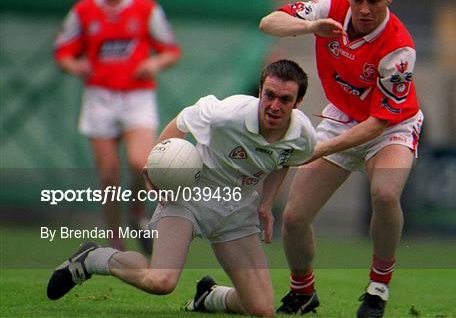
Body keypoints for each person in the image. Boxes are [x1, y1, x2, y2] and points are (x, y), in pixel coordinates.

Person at [47, 60, 317, 317]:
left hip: (237, 209)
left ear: (298, 103)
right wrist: (156, 168)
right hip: (189, 198)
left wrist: (266, 203)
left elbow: (284, 160)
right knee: (161, 281)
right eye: (269, 95)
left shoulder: (303, 136)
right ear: (260, 91)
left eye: (285, 100)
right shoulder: (227, 114)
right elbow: (181, 122)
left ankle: (208, 297)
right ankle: (93, 258)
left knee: (261, 309)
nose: (274, 106)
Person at [259, 0, 423, 317]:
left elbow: (379, 122)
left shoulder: (399, 48)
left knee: (384, 192)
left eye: (374, 1)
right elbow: (268, 22)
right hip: (343, 117)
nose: (363, 9)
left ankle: (378, 287)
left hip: (390, 126)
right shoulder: (328, 8)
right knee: (295, 217)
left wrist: (321, 148)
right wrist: (310, 26)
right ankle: (303, 292)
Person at [54, 0, 181, 253]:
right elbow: (63, 52)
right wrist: (75, 65)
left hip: (137, 97)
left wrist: (154, 62)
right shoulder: (83, 11)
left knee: (140, 163)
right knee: (109, 173)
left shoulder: (146, 9)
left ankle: (136, 212)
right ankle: (115, 240)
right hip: (100, 98)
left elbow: (171, 50)